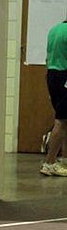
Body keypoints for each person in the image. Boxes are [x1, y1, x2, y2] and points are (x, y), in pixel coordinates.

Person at [40, 20, 67, 176]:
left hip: (52, 75)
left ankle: (63, 160)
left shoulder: (54, 29)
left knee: (65, 120)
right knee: (61, 120)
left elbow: (47, 58)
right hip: (64, 75)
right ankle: (49, 163)